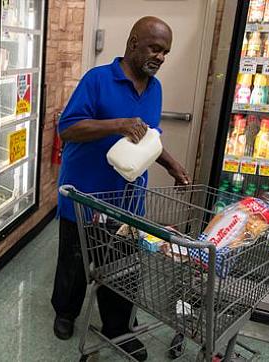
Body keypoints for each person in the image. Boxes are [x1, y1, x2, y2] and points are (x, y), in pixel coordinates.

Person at [51, 16, 191, 361]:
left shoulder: (154, 89)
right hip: (84, 192)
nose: (160, 57)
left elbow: (148, 138)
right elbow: (67, 129)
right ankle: (65, 312)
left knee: (124, 266)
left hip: (127, 199)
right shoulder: (98, 80)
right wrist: (117, 124)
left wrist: (171, 164)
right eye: (155, 48)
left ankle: (118, 327)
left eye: (165, 52)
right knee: (74, 259)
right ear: (133, 43)